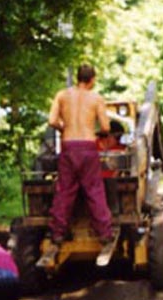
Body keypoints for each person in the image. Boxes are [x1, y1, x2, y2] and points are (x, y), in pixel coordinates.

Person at [47, 64, 114, 246]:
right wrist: (99, 133)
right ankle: (105, 233)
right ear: (92, 79)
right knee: (94, 190)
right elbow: (106, 127)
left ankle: (58, 233)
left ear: (78, 78)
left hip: (68, 146)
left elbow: (52, 120)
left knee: (65, 191)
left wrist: (64, 128)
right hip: (87, 147)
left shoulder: (61, 95)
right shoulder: (96, 98)